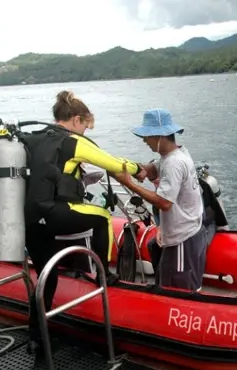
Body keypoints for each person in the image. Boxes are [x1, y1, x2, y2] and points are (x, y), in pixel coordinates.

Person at [22, 90, 150, 352]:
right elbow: (112, 162)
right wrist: (140, 169)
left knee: (47, 278)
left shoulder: (36, 139)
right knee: (103, 216)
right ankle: (103, 275)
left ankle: (36, 338)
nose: (85, 132)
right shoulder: (73, 142)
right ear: (77, 119)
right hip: (55, 212)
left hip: (32, 219)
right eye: (86, 126)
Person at [113, 108, 208, 292]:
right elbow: (153, 168)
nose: (144, 140)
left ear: (159, 136)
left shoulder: (173, 163)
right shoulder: (174, 154)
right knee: (166, 280)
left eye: (146, 136)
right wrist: (137, 169)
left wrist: (129, 184)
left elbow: (164, 203)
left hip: (183, 238)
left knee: (180, 292)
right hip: (183, 232)